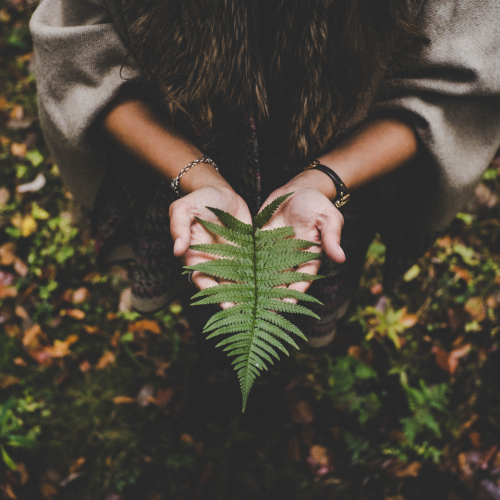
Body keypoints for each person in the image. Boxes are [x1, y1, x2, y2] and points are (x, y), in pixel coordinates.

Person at [30, 0, 500, 347]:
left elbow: (455, 84)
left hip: (344, 161)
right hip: (176, 148)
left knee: (307, 289)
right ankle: (220, 351)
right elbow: (80, 57)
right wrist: (200, 177)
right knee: (202, 284)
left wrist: (320, 180)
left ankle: (267, 362)